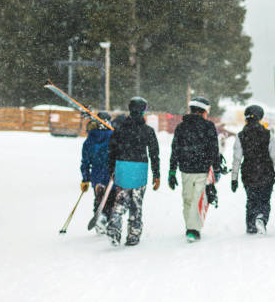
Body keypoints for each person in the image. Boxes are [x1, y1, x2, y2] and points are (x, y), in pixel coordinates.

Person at [106, 97, 160, 246]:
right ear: (143, 111)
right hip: (139, 169)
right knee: (136, 204)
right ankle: (133, 234)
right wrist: (157, 174)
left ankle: (114, 225)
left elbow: (111, 150)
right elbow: (154, 153)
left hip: (122, 167)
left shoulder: (120, 129)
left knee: (121, 200)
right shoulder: (147, 130)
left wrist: (112, 169)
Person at [168, 96, 221, 242]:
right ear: (203, 111)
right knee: (198, 200)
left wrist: (172, 171)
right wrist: (216, 168)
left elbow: (175, 150)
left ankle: (190, 227)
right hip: (202, 169)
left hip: (186, 169)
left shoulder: (181, 127)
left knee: (188, 199)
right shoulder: (209, 126)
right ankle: (193, 229)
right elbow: (214, 149)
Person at [231, 105, 275, 234]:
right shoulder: (267, 134)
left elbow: (237, 158)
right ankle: (262, 217)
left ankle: (251, 225)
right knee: (264, 199)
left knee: (251, 199)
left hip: (248, 173)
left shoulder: (241, 135)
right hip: (266, 172)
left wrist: (234, 178)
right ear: (260, 117)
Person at [80, 111, 115, 234]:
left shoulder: (89, 139)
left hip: (96, 173)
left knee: (99, 198)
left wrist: (85, 178)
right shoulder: (114, 136)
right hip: (111, 172)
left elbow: (85, 162)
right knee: (111, 199)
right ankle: (106, 219)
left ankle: (99, 216)